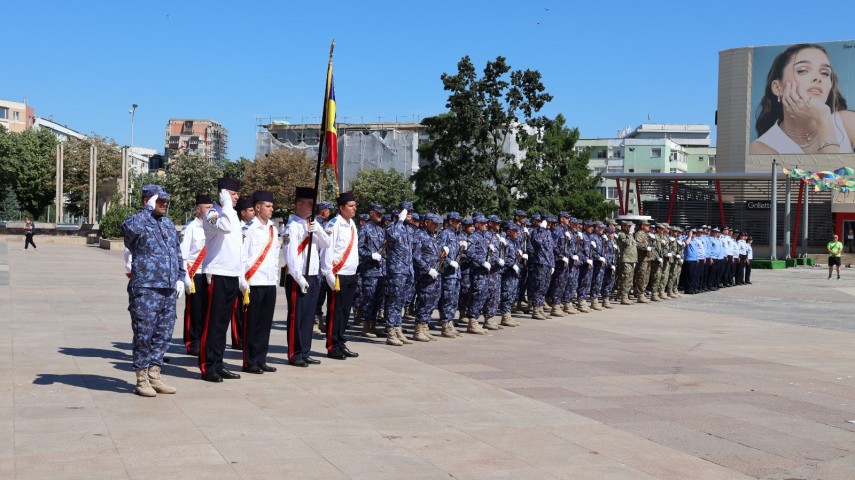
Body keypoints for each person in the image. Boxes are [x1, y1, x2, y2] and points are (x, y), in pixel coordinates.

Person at [122, 184, 184, 397]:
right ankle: (141, 378)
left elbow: (177, 253)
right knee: (144, 334)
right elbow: (128, 231)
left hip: (167, 288)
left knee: (163, 334)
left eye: (165, 200)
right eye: (159, 200)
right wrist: (147, 210)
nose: (164, 204)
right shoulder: (137, 222)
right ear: (146, 201)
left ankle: (154, 375)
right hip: (146, 288)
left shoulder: (167, 224)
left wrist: (181, 278)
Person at [750, 43, 855, 154]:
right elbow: (830, 171)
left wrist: (823, 118)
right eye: (802, 70)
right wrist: (822, 118)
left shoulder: (848, 123)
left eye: (825, 73)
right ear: (777, 88)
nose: (818, 78)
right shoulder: (760, 148)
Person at [199, 178, 246, 382]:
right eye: (232, 194)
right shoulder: (212, 214)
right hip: (216, 274)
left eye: (235, 194)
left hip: (232, 274)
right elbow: (224, 227)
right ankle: (207, 366)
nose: (236, 197)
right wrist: (226, 203)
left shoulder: (232, 214)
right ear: (223, 194)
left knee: (224, 323)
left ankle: (219, 363)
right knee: (212, 324)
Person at [283, 188, 331, 366]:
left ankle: (305, 351)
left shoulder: (312, 224)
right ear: (299, 204)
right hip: (298, 277)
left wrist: (317, 229)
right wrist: (299, 278)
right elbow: (290, 256)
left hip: (313, 275)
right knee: (297, 316)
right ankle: (294, 354)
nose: (312, 208)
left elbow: (326, 243)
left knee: (309, 316)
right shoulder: (292, 227)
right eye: (309, 204)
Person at [240, 191, 281, 374]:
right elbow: (242, 257)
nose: (271, 209)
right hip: (253, 282)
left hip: (269, 282)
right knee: (252, 324)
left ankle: (261, 358)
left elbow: (274, 257)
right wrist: (242, 281)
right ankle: (249, 361)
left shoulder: (273, 228)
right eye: (268, 206)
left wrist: (275, 279)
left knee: (265, 323)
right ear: (257, 207)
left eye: (272, 206)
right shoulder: (248, 230)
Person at [320, 191, 360, 359]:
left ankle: (341, 342)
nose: (354, 208)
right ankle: (332, 345)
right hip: (338, 274)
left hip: (350, 273)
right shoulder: (333, 224)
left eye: (355, 206)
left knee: (344, 312)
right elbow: (327, 250)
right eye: (351, 206)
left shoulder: (351, 224)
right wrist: (328, 273)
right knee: (335, 311)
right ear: (341, 208)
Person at [179, 194, 213, 356]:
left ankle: (205, 340)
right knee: (195, 310)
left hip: (210, 274)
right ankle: (192, 342)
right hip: (195, 275)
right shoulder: (190, 228)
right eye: (207, 207)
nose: (210, 210)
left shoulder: (214, 227)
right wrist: (185, 276)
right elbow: (183, 253)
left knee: (208, 311)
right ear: (198, 209)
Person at [357, 203, 386, 339]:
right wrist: (370, 255)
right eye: (378, 213)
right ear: (371, 213)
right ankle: (366, 327)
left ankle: (373, 325)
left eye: (381, 213)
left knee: (378, 299)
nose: (380, 215)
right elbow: (358, 249)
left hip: (381, 271)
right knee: (368, 298)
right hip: (369, 271)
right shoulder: (364, 229)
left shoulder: (381, 230)